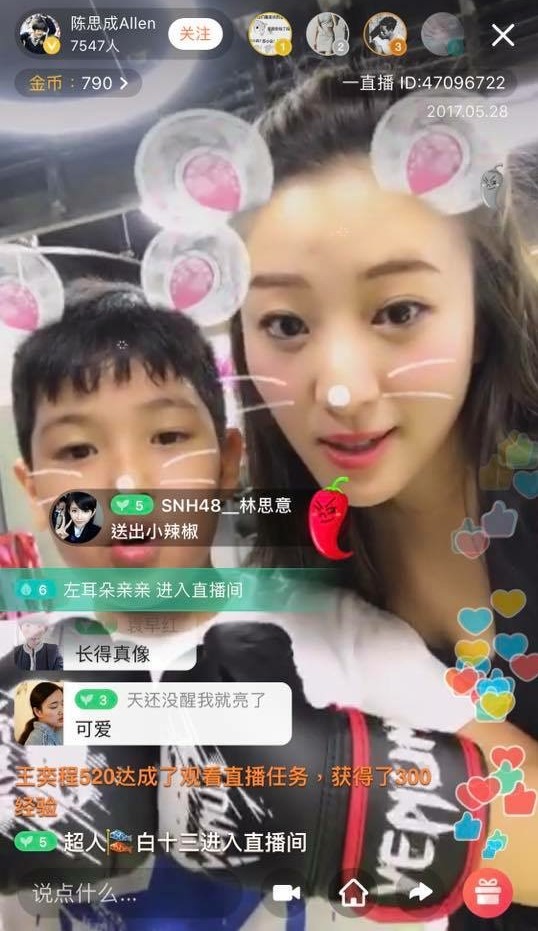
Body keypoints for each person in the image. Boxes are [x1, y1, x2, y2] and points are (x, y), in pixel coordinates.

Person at [0, 279, 510, 929]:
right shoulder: (16, 674)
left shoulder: (345, 644)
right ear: (35, 491)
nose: (128, 485)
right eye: (78, 450)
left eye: (166, 436)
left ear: (226, 462)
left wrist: (348, 805)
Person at [230, 65, 538, 922]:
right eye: (286, 324)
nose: (339, 389)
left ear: (482, 305)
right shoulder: (293, 566)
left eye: (398, 311)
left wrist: (345, 796)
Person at [17, 681, 63, 745]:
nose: (62, 711)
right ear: (38, 712)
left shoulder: (60, 729)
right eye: (54, 707)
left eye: (63, 704)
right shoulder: (35, 741)